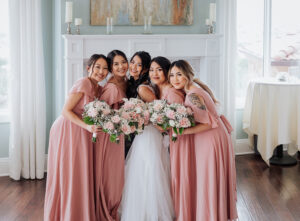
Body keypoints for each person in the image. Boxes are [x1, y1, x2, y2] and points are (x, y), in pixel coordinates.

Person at [168, 60, 238, 221]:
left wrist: (182, 131)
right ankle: (213, 213)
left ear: (188, 74)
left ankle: (212, 215)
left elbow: (207, 123)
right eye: (171, 75)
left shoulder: (193, 95)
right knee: (209, 176)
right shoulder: (194, 89)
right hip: (214, 135)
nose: (175, 79)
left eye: (179, 74)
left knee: (208, 176)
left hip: (210, 138)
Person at [44, 54, 109, 221]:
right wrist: (87, 126)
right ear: (89, 68)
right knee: (70, 171)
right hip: (67, 129)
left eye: (105, 69)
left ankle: (78, 212)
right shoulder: (84, 83)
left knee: (79, 171)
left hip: (81, 130)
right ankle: (67, 214)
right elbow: (65, 111)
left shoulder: (98, 87)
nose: (101, 72)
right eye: (97, 67)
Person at [120, 56, 175, 221]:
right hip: (148, 134)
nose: (155, 73)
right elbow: (156, 113)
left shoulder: (153, 88)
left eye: (159, 70)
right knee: (147, 169)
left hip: (152, 133)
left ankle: (154, 211)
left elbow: (159, 113)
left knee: (152, 169)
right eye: (152, 70)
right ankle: (145, 211)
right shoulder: (148, 87)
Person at [94, 50, 128, 221]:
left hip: (120, 134)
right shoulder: (112, 87)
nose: (121, 66)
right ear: (110, 69)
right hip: (110, 137)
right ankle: (107, 207)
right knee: (112, 175)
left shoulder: (126, 82)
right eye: (116, 64)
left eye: (123, 62)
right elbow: (102, 115)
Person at [125, 51, 151, 156]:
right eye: (132, 62)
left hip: (142, 134)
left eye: (139, 65)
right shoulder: (132, 83)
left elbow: (155, 112)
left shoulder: (143, 88)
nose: (133, 67)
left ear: (145, 69)